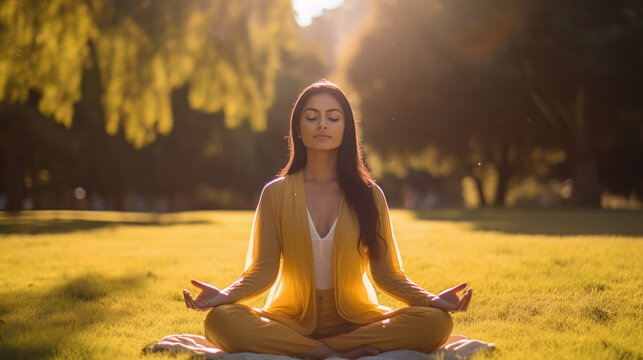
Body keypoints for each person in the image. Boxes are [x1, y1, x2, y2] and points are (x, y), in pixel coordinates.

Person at [182, 80, 473, 360]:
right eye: (312, 117)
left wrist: (431, 300)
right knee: (220, 321)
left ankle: (313, 348)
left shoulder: (369, 195)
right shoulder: (275, 194)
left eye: (333, 118)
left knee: (436, 322)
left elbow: (387, 275)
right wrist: (225, 296)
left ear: (346, 129)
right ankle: (329, 352)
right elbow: (262, 271)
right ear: (298, 128)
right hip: (290, 319)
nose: (322, 124)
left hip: (356, 322)